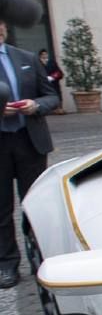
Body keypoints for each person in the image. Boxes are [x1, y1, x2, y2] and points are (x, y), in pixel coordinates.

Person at [0, 16, 60, 289]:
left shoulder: (26, 58)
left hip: (29, 141)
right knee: (1, 209)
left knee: (35, 204)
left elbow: (51, 95)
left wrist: (36, 105)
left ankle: (42, 259)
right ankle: (7, 265)